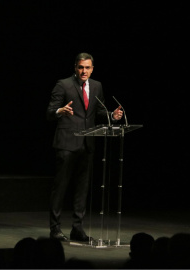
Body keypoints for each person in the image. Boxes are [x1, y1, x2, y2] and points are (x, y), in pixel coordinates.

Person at [46, 52, 123, 242]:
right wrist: (60, 111)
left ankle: (77, 228)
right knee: (61, 187)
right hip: (67, 143)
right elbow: (49, 112)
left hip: (88, 144)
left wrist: (111, 116)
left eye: (87, 67)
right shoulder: (63, 84)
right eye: (81, 67)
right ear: (75, 67)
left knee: (82, 189)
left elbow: (99, 112)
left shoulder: (97, 86)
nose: (84, 71)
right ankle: (55, 228)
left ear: (92, 69)